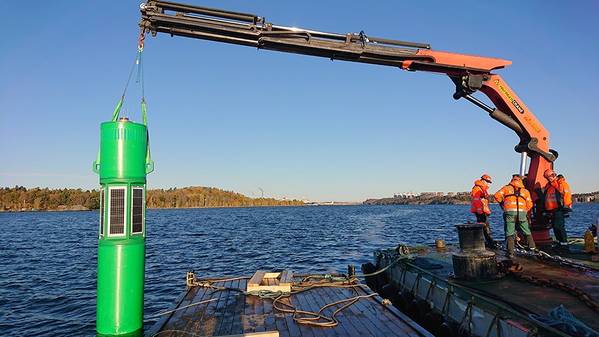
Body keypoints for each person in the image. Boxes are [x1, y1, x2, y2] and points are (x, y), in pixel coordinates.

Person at [494, 175, 536, 258]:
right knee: (526, 230)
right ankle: (533, 249)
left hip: (510, 213)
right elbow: (530, 204)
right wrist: (525, 211)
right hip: (522, 213)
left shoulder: (506, 188)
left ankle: (510, 252)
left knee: (510, 232)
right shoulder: (525, 191)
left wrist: (502, 204)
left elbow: (496, 196)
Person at [543, 169, 573, 250]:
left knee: (559, 227)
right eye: (547, 177)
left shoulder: (561, 184)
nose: (549, 178)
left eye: (549, 177)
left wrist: (566, 207)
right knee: (555, 227)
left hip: (559, 209)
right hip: (551, 210)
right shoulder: (548, 186)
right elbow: (546, 197)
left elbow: (566, 194)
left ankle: (564, 245)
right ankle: (560, 243)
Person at [470, 174, 497, 248]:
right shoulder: (477, 188)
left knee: (484, 227)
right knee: (485, 227)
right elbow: (476, 200)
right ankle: (489, 243)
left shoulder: (481, 188)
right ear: (483, 180)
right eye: (487, 181)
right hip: (480, 211)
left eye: (489, 182)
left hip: (482, 211)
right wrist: (480, 211)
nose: (488, 183)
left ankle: (486, 242)